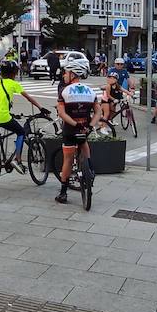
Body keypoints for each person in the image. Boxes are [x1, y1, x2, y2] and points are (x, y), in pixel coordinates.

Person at [0, 61, 49, 173]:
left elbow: (0, 101)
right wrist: (41, 108)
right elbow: (28, 98)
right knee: (21, 132)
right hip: (3, 117)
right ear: (14, 73)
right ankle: (17, 160)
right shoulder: (14, 84)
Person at [55, 57, 101, 204]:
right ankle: (90, 169)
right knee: (84, 144)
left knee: (68, 159)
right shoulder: (90, 91)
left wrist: (74, 124)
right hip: (85, 127)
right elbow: (98, 112)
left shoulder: (64, 91)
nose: (64, 75)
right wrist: (90, 125)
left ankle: (63, 193)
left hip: (70, 128)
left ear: (72, 74)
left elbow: (62, 113)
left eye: (66, 72)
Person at [104, 58, 131, 124]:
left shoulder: (124, 71)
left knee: (115, 106)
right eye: (118, 64)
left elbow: (129, 81)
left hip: (118, 89)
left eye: (121, 64)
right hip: (111, 89)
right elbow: (108, 80)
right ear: (115, 64)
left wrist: (131, 88)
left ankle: (111, 119)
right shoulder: (112, 70)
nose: (119, 65)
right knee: (111, 106)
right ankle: (108, 120)